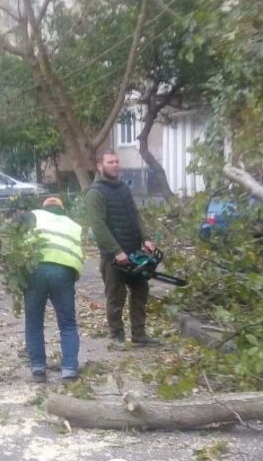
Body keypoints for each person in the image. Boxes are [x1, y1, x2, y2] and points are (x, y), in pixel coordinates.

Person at [85, 151, 160, 346]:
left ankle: (139, 335)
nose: (115, 164)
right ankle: (116, 336)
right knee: (116, 298)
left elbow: (135, 215)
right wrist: (117, 251)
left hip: (136, 252)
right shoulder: (95, 193)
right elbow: (98, 226)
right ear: (100, 166)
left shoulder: (123, 189)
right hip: (113, 258)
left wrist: (146, 238)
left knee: (140, 293)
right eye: (110, 162)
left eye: (117, 161)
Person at [21, 196, 85, 382]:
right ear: (62, 209)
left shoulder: (32, 216)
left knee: (34, 322)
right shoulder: (74, 225)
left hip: (36, 270)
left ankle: (38, 369)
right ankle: (69, 369)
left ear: (44, 207)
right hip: (64, 273)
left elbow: (15, 239)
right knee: (67, 323)